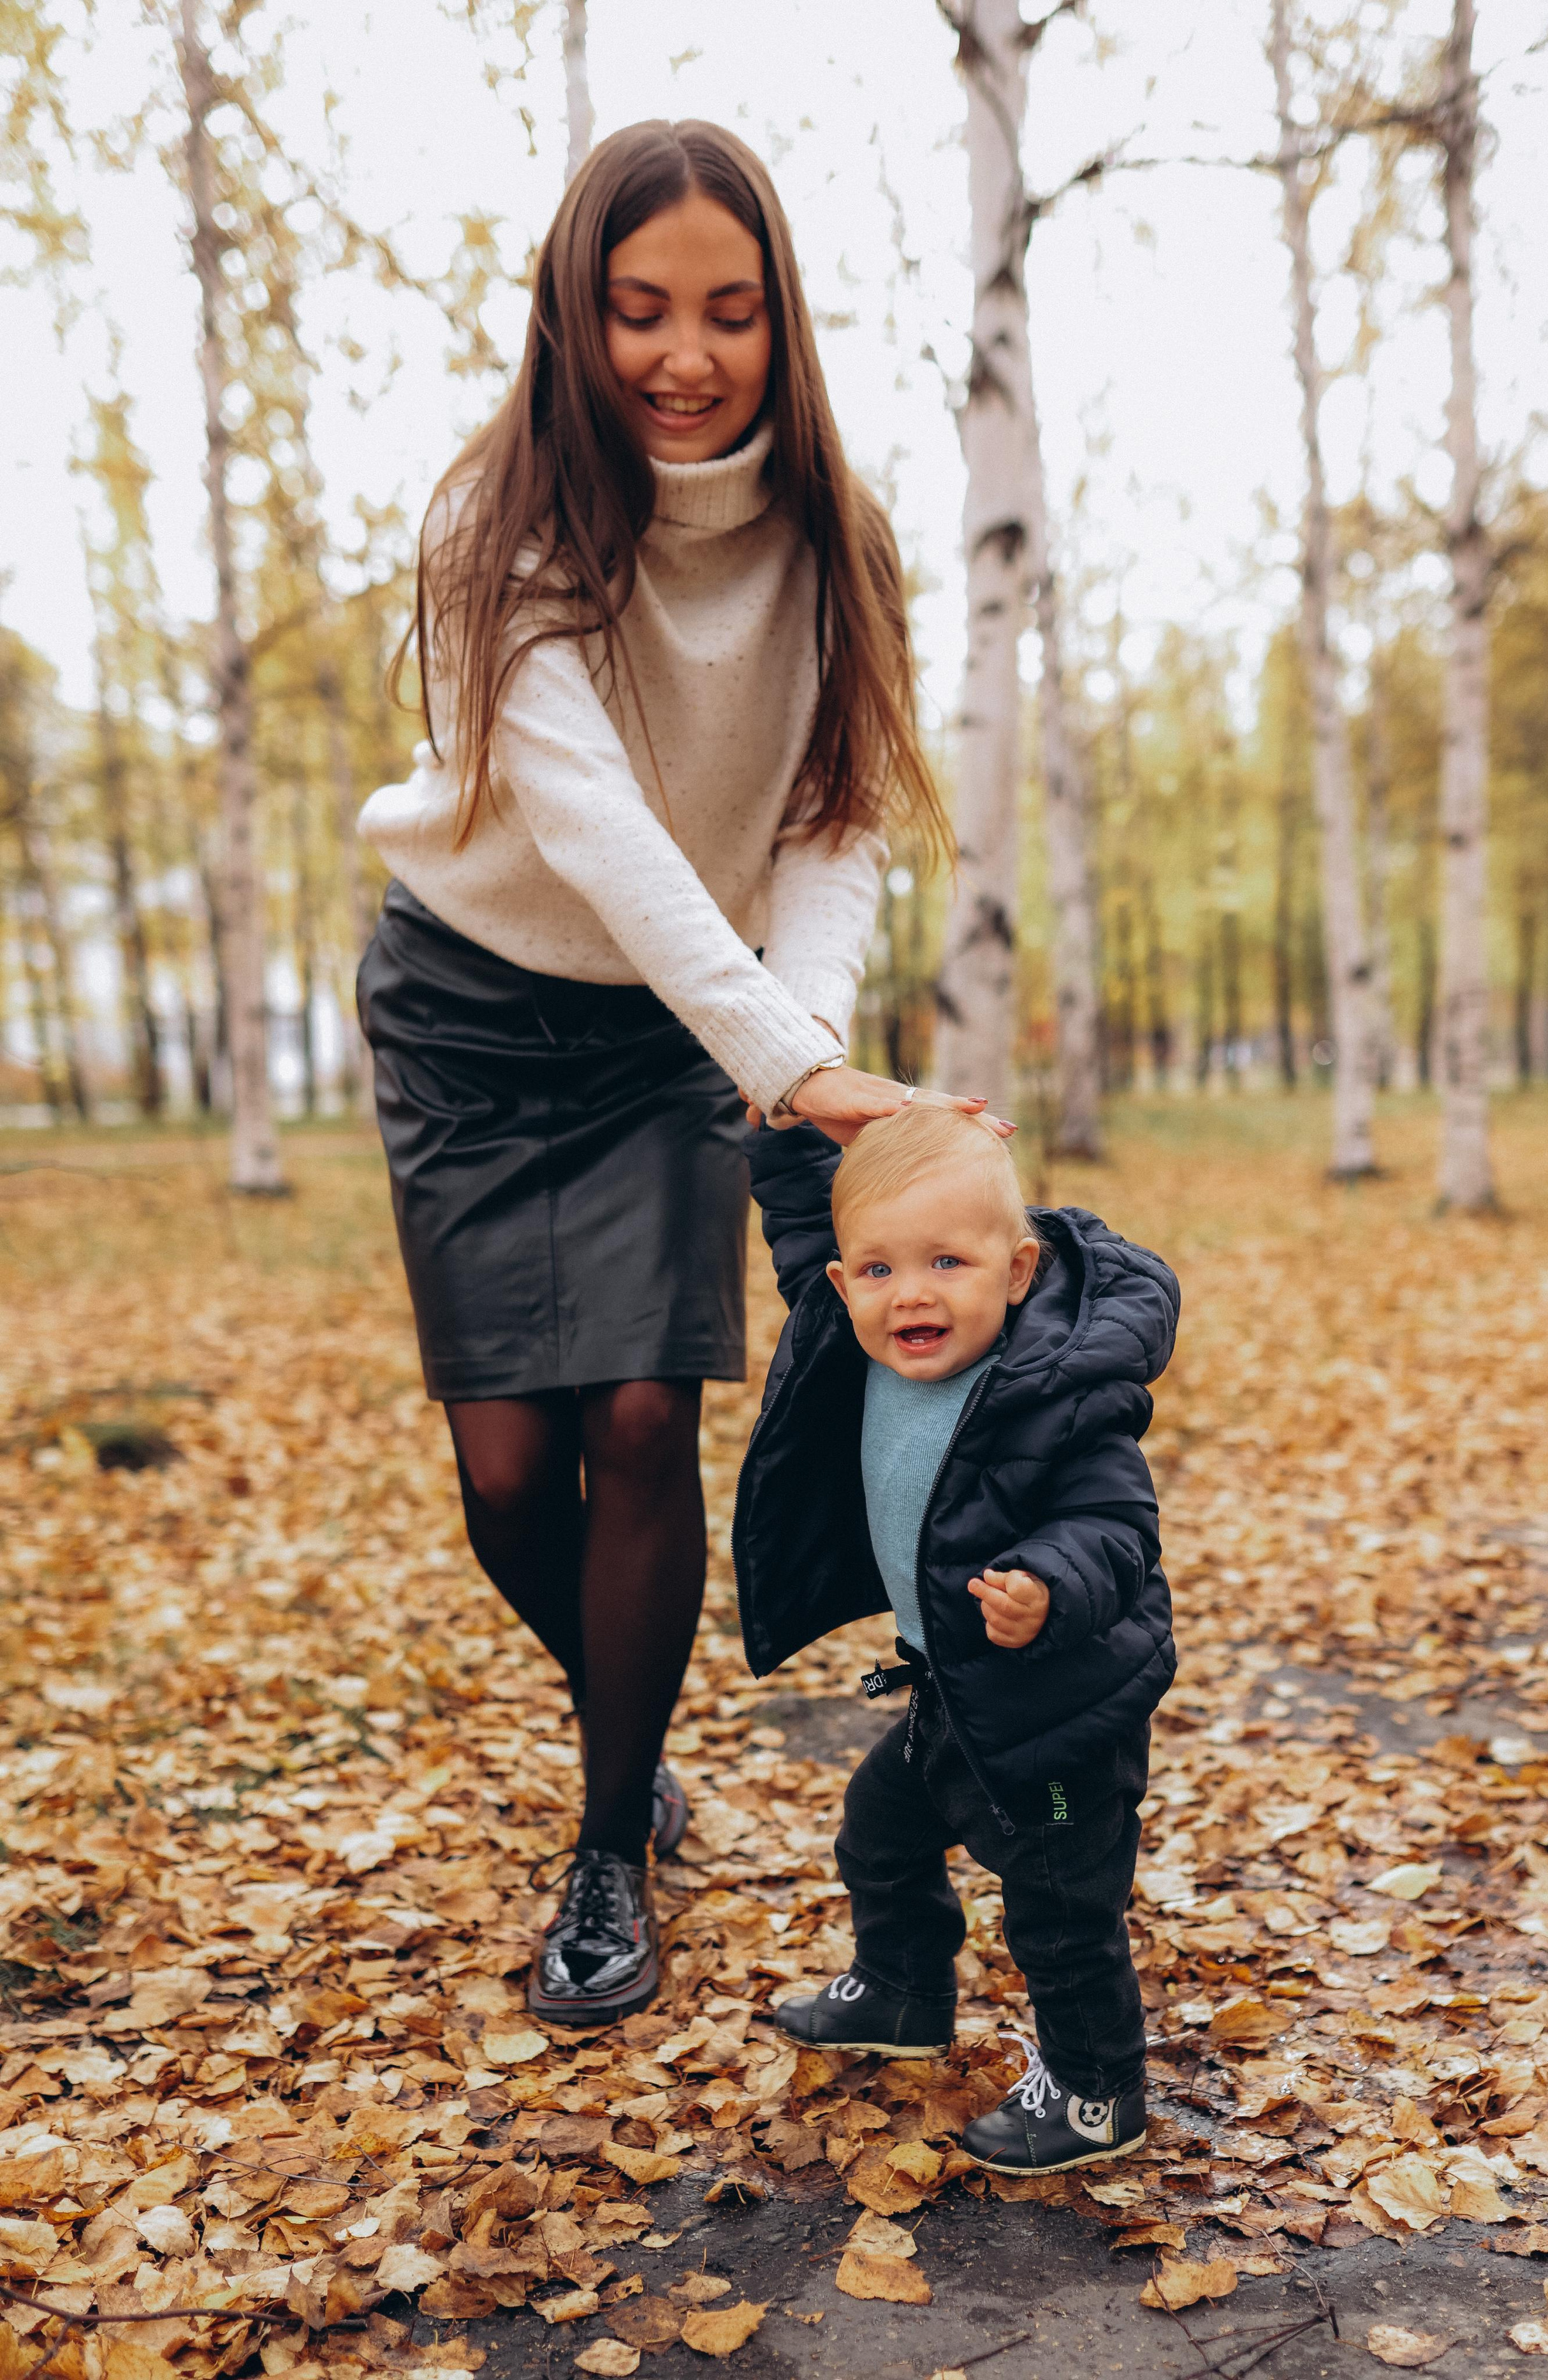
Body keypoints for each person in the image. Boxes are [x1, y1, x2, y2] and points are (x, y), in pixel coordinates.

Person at [355, 120, 994, 2027]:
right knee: (502, 1471)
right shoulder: (503, 523)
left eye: (727, 310)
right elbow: (600, 827)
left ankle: (607, 1839)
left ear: (777, 319)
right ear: (579, 312)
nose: (684, 353)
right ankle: (628, 1730)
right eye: (640, 310)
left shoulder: (833, 538)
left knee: (640, 1419)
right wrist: (795, 1060)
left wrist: (789, 1050)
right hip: (471, 1008)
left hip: (663, 1033)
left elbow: (832, 814)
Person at [733, 1102, 1179, 2174]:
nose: (913, 1292)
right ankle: (902, 1988)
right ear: (844, 1288)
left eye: (947, 1260)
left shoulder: (1051, 1389)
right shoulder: (855, 1339)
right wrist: (779, 1120)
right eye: (879, 1270)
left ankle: (1094, 2089)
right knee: (879, 1832)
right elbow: (807, 1217)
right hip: (952, 1695)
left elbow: (1117, 1526)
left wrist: (1047, 1583)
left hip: (1055, 1718)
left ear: (1017, 1270)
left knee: (1062, 1906)